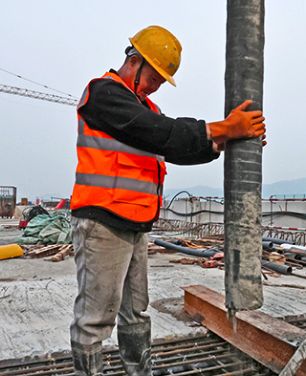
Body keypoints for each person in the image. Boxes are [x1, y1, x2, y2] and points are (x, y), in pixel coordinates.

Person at [69, 25, 266, 376]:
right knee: (96, 318)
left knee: (135, 310)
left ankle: (138, 371)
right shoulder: (103, 94)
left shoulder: (145, 106)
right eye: (156, 77)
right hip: (102, 221)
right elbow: (160, 132)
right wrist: (223, 128)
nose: (157, 86)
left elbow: (173, 144)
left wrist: (228, 141)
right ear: (134, 60)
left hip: (134, 223)